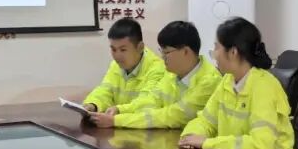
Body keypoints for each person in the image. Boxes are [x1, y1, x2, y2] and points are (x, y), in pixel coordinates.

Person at [178, 18, 297, 149]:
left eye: (216, 47)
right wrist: (190, 136)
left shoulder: (264, 87)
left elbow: (260, 144)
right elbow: (206, 120)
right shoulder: (228, 80)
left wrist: (207, 143)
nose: (214, 54)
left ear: (233, 52)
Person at [90, 20, 221, 130]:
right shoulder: (171, 74)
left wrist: (117, 121)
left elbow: (173, 116)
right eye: (161, 51)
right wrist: (120, 110)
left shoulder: (209, 81)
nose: (162, 57)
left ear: (186, 52)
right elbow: (151, 100)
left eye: (166, 53)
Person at [82, 18, 166, 114]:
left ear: (140, 47)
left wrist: (118, 110)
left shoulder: (158, 69)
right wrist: (93, 105)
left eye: (123, 50)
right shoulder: (116, 64)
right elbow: (105, 90)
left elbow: (145, 103)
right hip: (118, 121)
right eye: (113, 49)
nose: (117, 56)